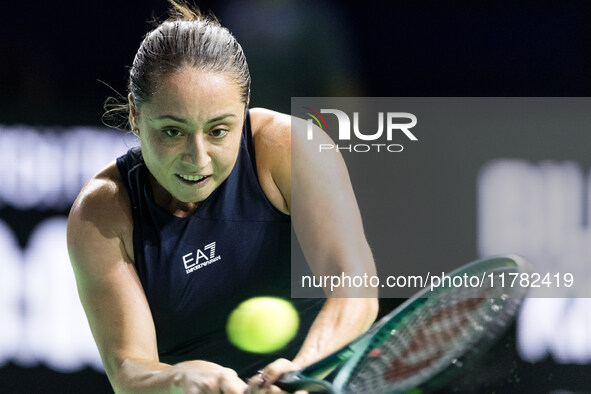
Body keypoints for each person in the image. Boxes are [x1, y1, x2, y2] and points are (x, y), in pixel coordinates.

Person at [67, 1, 378, 393]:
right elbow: (129, 372)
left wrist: (302, 372)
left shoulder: (292, 148)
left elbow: (357, 291)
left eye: (218, 131)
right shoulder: (102, 213)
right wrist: (179, 377)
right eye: (172, 131)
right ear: (134, 114)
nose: (198, 158)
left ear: (244, 109)